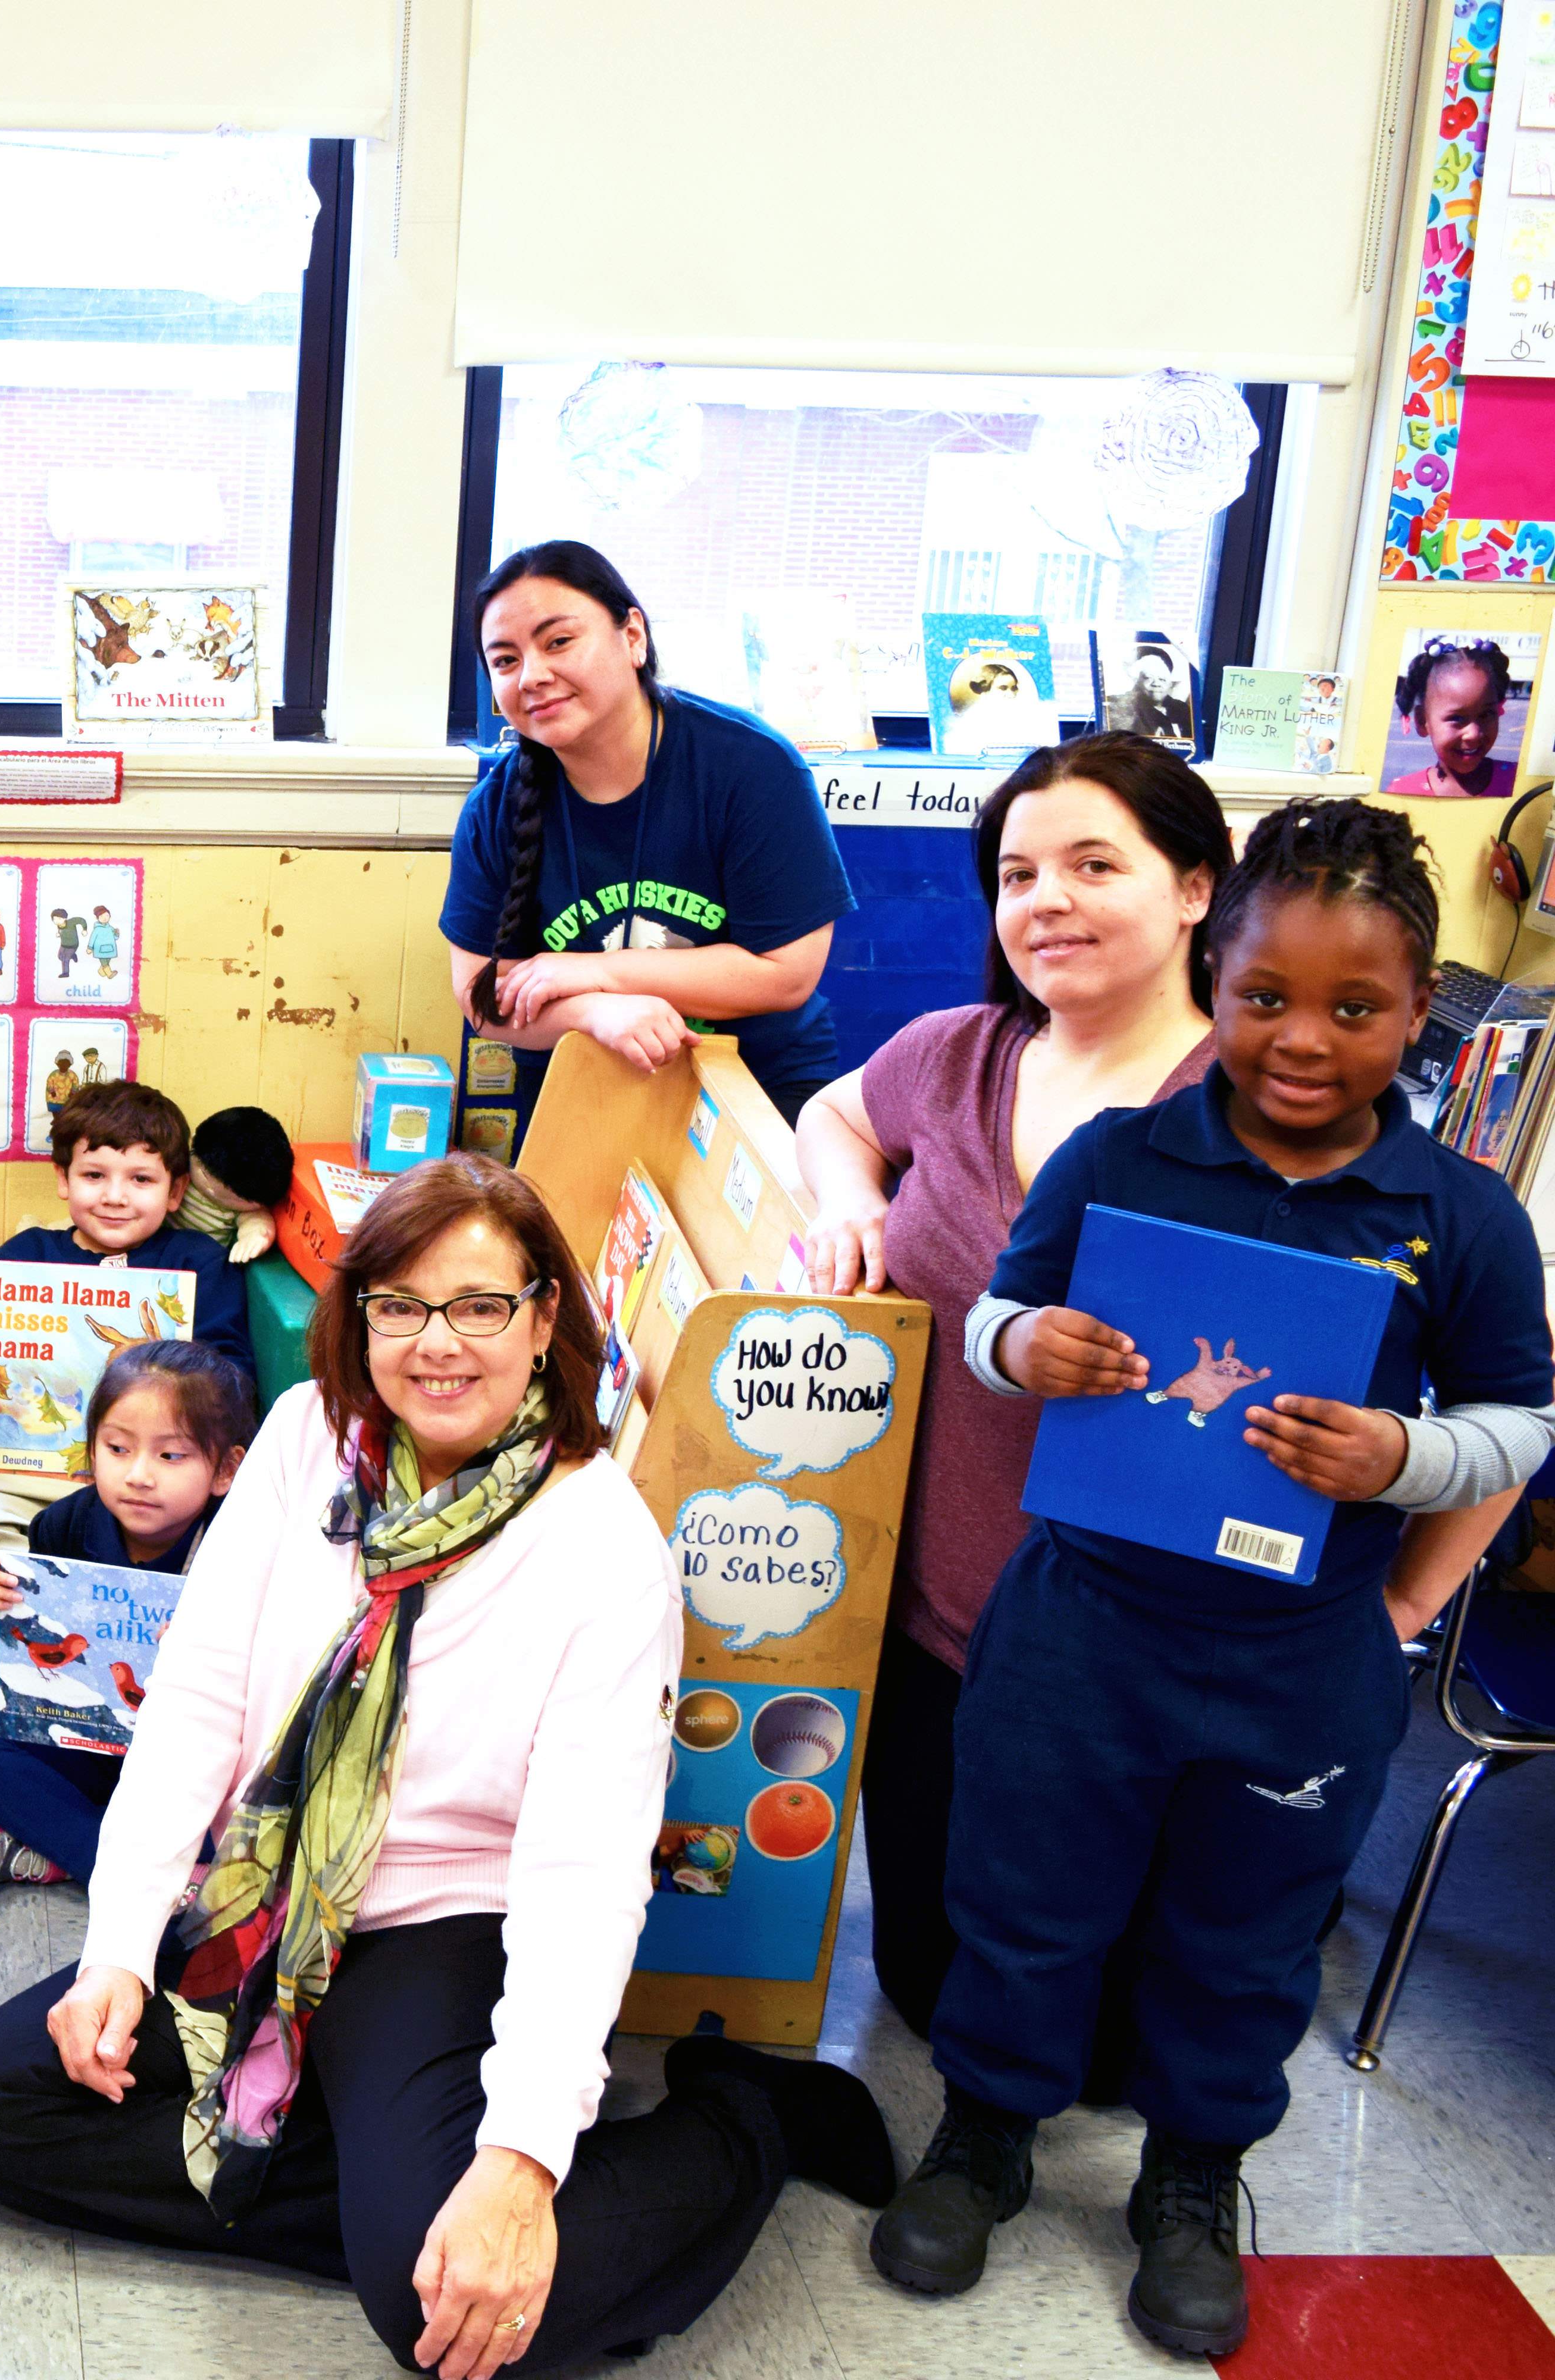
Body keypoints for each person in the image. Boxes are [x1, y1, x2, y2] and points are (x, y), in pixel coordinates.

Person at [0, 1155, 894, 2374]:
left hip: (441, 1921)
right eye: (400, 1303)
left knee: (442, 2327)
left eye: (481, 1305)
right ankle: (387, 2194)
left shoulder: (604, 1551)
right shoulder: (304, 1437)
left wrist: (520, 2160)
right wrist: (120, 1945)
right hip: (266, 1892)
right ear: (360, 1317)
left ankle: (743, 2119)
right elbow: (197, 1703)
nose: (439, 1343)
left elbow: (580, 1875)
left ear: (546, 1319)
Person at [871, 800, 1554, 2359]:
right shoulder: (1123, 1154)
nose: (1305, 1040)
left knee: (1244, 1931)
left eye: (1358, 1007)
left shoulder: (1460, 1216)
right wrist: (1022, 1344)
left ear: (1419, 1005)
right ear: (1217, 978)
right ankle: (986, 2132)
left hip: (1294, 1650)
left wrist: (1398, 1464)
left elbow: (1519, 1423)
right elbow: (997, 1320)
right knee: (1024, 1898)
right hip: (1082, 1627)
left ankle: (1194, 2174)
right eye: (1266, 999)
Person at [791, 735, 1226, 2045]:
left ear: (1196, 887)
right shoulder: (961, 1052)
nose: (1049, 899)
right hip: (933, 1631)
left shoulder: (1254, 1110)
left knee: (1101, 2040)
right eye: (1020, 871)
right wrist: (852, 1195)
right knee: (930, 1991)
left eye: (1097, 864)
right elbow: (835, 1113)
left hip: (1139, 1660)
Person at [440, 539, 856, 1125]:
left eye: (559, 641)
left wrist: (597, 971)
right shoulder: (496, 807)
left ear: (632, 636)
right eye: (506, 660)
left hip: (753, 1091)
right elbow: (484, 999)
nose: (533, 675)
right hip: (585, 1090)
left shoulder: (752, 767)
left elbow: (786, 972)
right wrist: (593, 1012)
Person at [0, 1339, 252, 1891]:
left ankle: (60, 1848)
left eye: (171, 1456)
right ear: (91, 1450)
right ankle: (129, 1876)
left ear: (225, 1470)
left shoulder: (242, 1546)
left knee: (255, 1816)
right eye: (118, 1448)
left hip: (193, 1764)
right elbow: (22, 1681)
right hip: (86, 1746)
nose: (139, 1476)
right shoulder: (62, 1527)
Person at [0, 1079, 255, 1538]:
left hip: (148, 1492)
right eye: (94, 1176)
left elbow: (236, 1383)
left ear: (176, 1191)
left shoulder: (198, 1264)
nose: (114, 1197)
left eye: (141, 1179)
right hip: (19, 1479)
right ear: (63, 1179)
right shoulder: (20, 1258)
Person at [1382, 637, 1513, 800]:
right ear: (1423, 721)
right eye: (1457, 718)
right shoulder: (1402, 791)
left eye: (1486, 715)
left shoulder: (1516, 782)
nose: (1473, 734)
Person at [183, 1105, 295, 1265]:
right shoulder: (183, 1168)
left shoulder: (242, 1209)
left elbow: (256, 1223)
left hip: (201, 1261)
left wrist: (256, 1237)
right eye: (206, 1176)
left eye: (230, 1197)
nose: (212, 1191)